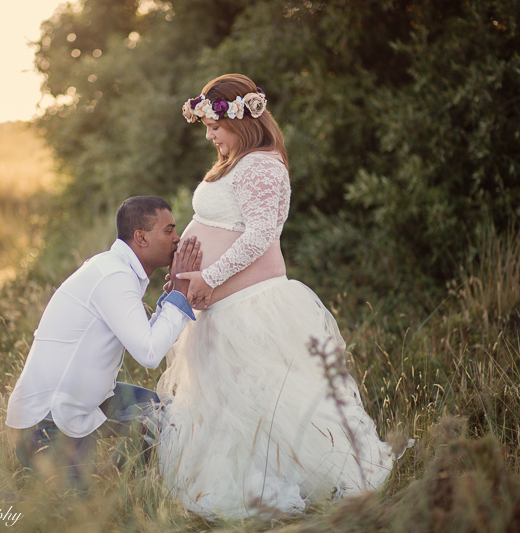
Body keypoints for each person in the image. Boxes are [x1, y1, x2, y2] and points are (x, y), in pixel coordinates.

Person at [154, 74, 408, 519]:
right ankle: (247, 480)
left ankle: (300, 483)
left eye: (214, 127)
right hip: (221, 308)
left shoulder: (262, 166)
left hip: (251, 308)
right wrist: (184, 274)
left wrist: (208, 276)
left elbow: (260, 236)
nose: (210, 136)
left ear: (241, 121)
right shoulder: (236, 162)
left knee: (268, 403)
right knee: (232, 407)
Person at [5, 195, 201, 485]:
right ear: (141, 237)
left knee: (170, 416)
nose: (177, 239)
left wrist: (174, 296)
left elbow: (144, 337)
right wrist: (181, 294)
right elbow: (149, 353)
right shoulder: (114, 275)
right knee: (73, 510)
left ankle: (112, 483)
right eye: (169, 230)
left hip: (90, 400)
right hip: (47, 419)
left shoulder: (116, 269)